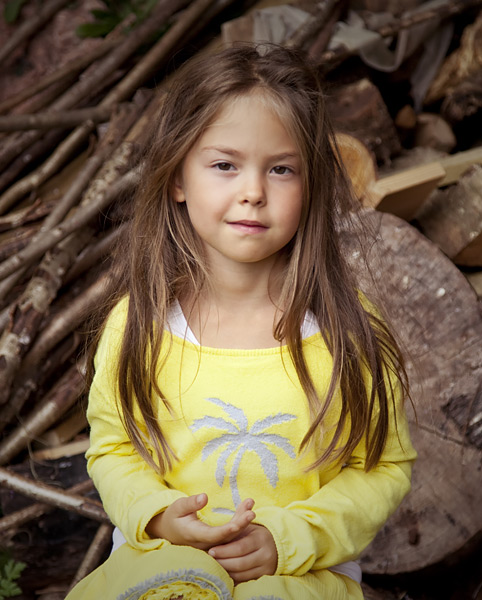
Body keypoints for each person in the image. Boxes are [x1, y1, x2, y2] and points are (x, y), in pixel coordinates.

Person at [67, 44, 416, 600]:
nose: (253, 191)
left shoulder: (346, 332)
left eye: (280, 169)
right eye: (225, 165)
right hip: (161, 564)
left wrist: (287, 537)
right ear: (178, 178)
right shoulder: (140, 325)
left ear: (311, 186)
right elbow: (113, 448)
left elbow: (384, 468)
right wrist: (159, 518)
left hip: (301, 575)